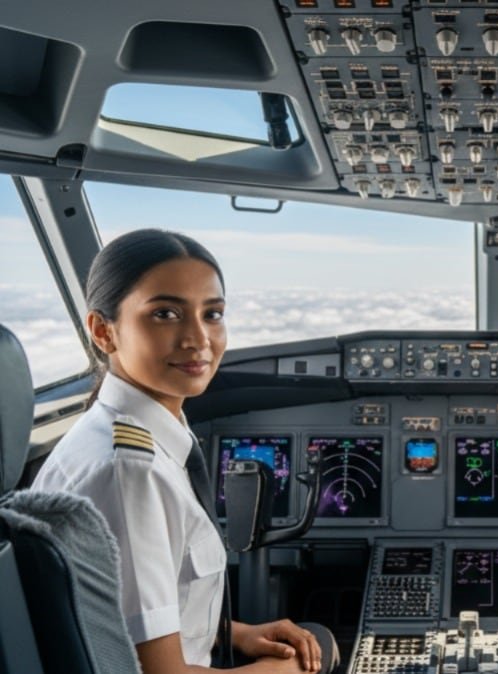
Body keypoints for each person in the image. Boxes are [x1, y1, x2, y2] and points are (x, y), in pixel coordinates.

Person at [32, 229, 341, 674]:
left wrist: (238, 633)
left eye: (212, 314)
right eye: (165, 313)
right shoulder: (131, 473)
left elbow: (134, 611)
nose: (198, 338)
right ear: (103, 331)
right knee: (322, 651)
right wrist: (289, 672)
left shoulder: (135, 434)